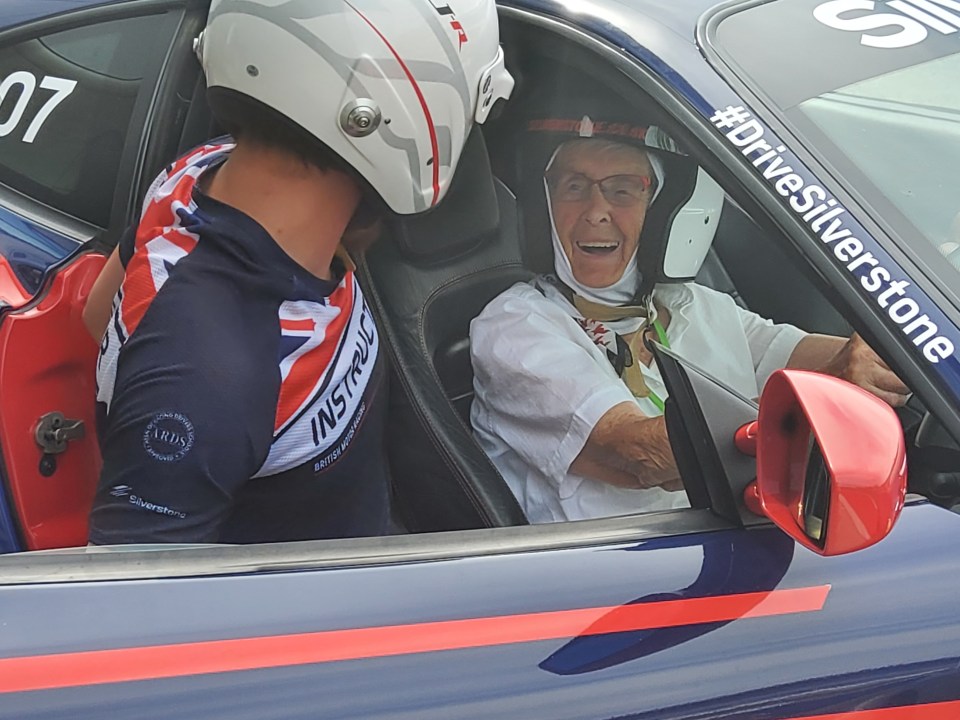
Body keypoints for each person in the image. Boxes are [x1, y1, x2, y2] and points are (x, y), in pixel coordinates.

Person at [82, 0, 514, 544]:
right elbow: (136, 612)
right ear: (386, 115)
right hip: (322, 614)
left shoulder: (204, 170)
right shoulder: (212, 372)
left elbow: (98, 313)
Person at [470, 107, 908, 525]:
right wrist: (830, 387)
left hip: (733, 545)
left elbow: (810, 354)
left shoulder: (688, 304)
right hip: (617, 582)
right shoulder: (516, 328)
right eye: (574, 187)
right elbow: (641, 456)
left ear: (662, 211)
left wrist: (889, 354)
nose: (595, 211)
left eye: (622, 189)